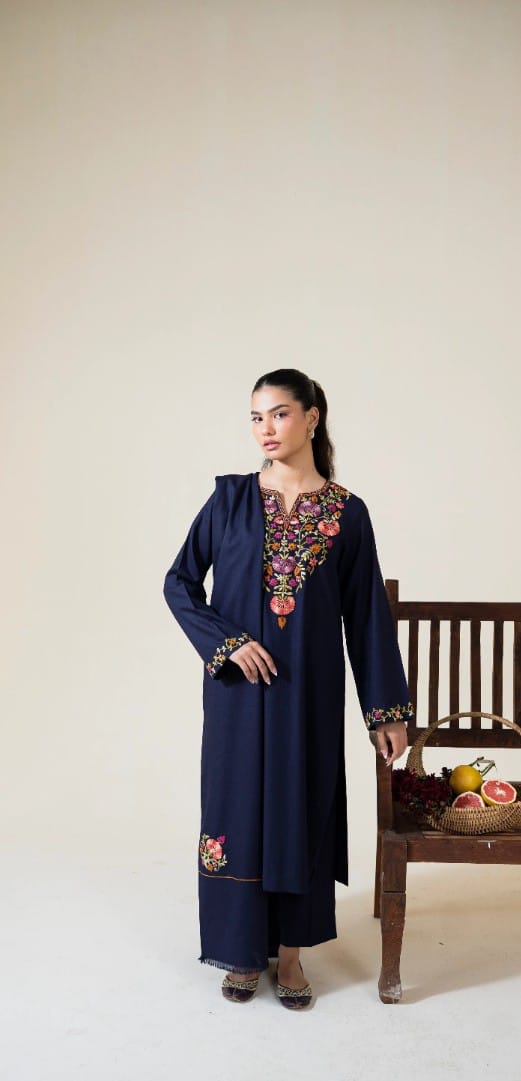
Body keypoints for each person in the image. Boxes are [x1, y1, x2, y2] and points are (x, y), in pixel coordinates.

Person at [162, 368, 414, 1009]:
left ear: (311, 417)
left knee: (302, 806)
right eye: (256, 417)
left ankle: (293, 955)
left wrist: (385, 711)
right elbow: (179, 582)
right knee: (237, 809)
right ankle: (242, 953)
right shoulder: (230, 501)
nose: (266, 429)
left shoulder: (347, 513)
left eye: (278, 414)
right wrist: (227, 642)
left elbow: (367, 617)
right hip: (238, 695)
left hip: (309, 694)